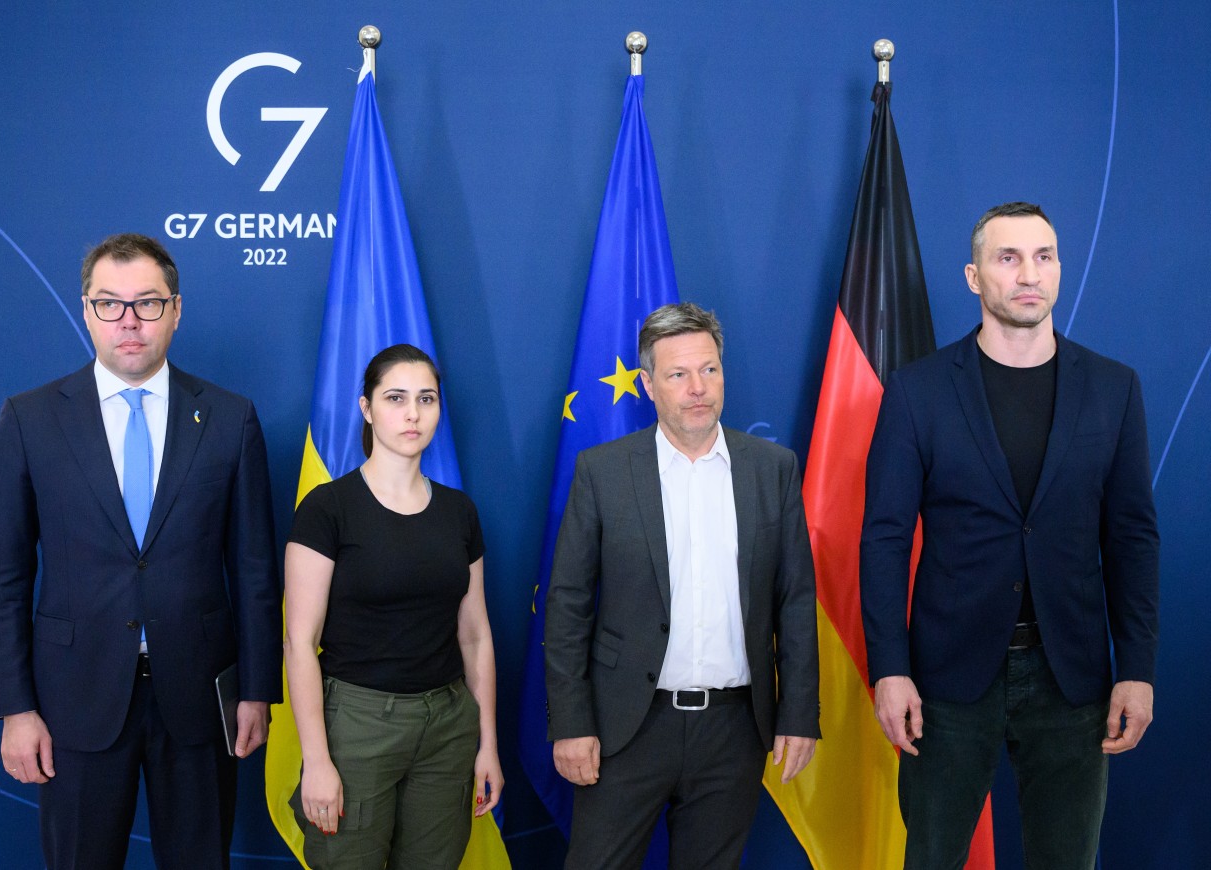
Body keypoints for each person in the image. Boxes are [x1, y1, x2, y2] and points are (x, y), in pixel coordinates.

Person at [861, 202, 1160, 869]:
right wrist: (889, 668)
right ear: (974, 277)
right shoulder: (919, 390)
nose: (1030, 274)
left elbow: (1133, 538)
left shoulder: (1114, 389)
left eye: (1044, 256)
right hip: (947, 679)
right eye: (1008, 257)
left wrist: (1137, 668)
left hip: (1072, 677)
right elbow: (883, 537)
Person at [0, 233, 282, 868]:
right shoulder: (30, 419)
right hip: (72, 699)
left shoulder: (230, 419)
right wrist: (15, 707)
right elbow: (4, 577)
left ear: (176, 310)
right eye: (110, 304)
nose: (130, 322)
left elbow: (253, 571)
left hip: (199, 699)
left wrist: (257, 689)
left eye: (147, 303)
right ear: (86, 310)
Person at [544, 302, 820, 870]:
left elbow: (794, 601)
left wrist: (799, 713)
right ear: (647, 384)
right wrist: (571, 724)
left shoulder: (773, 469)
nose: (699, 388)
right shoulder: (603, 471)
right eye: (678, 374)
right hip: (627, 726)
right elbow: (568, 606)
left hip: (734, 729)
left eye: (710, 370)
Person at [283, 343, 502, 869]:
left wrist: (487, 743)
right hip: (357, 726)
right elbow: (299, 642)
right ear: (366, 408)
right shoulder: (328, 509)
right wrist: (316, 760)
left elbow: (475, 635)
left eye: (426, 399)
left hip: (448, 727)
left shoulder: (458, 511)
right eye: (396, 397)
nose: (412, 413)